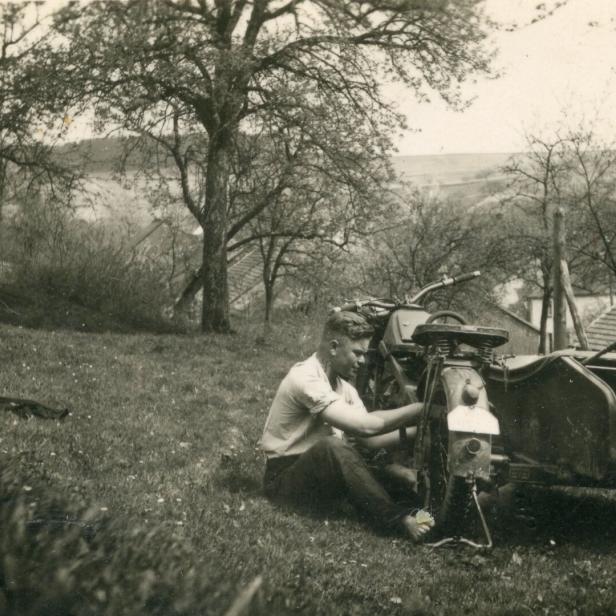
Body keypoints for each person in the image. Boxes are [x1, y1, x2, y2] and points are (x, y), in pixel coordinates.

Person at [259, 310, 433, 542]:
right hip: (284, 482)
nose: (363, 361)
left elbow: (370, 441)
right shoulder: (305, 377)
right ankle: (398, 520)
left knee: (400, 479)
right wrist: (423, 409)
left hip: (322, 477)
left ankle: (429, 520)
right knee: (332, 447)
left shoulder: (346, 389)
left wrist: (422, 434)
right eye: (357, 353)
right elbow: (365, 427)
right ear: (333, 347)